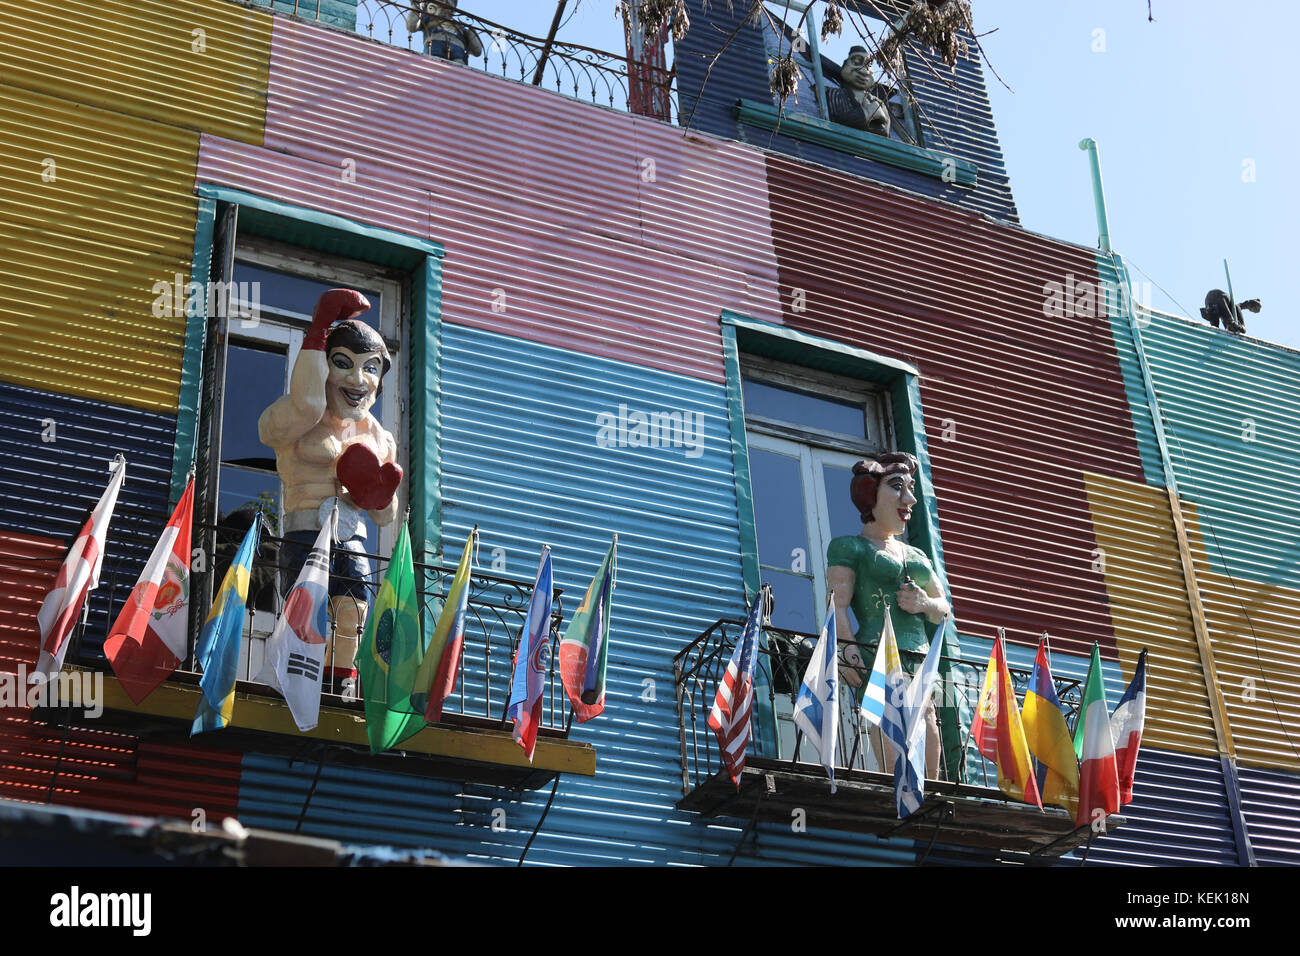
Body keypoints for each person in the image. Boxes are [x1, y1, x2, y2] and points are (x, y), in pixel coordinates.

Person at [258, 289, 403, 699]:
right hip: (305, 529)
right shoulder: (294, 417)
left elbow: (385, 516)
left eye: (370, 368)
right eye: (343, 364)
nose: (358, 380)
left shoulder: (379, 436)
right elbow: (304, 403)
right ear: (323, 366)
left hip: (352, 535)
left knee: (353, 604)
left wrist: (377, 494)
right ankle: (297, 674)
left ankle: (339, 683)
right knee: (308, 606)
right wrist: (318, 330)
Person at [826, 451, 950, 778]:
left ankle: (928, 784)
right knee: (886, 712)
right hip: (876, 646)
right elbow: (838, 603)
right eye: (897, 487)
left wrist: (924, 603)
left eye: (910, 488)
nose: (909, 498)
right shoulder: (849, 547)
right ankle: (895, 778)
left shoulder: (917, 554)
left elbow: (943, 610)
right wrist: (846, 645)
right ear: (871, 494)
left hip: (918, 651)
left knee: (927, 715)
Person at [826, 45, 891, 137]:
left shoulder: (879, 103)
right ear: (845, 65)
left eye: (868, 66)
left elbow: (884, 131)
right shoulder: (834, 93)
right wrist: (867, 113)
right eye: (856, 62)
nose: (864, 71)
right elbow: (839, 119)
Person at [406, 0, 483, 64]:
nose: (446, 3)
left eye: (450, 2)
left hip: (458, 58)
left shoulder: (460, 26)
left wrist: (471, 32)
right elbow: (411, 26)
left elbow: (477, 51)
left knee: (458, 73)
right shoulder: (428, 18)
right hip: (434, 54)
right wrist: (415, 6)